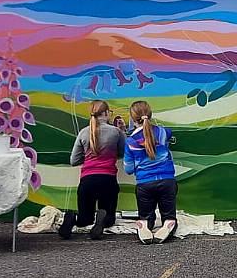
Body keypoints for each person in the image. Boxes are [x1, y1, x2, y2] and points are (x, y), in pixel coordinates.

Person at [63, 100, 125, 240]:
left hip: (87, 181)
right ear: (106, 113)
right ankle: (102, 219)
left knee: (85, 219)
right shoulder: (116, 132)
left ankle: (73, 217)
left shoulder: (83, 133)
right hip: (108, 180)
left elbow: (73, 161)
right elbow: (123, 153)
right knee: (109, 219)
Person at [124, 100, 177, 244]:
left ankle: (145, 224)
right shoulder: (162, 132)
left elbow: (128, 169)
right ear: (150, 114)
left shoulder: (130, 141)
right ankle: (168, 223)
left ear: (133, 118)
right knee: (168, 214)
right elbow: (168, 132)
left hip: (144, 184)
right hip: (167, 181)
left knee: (146, 215)